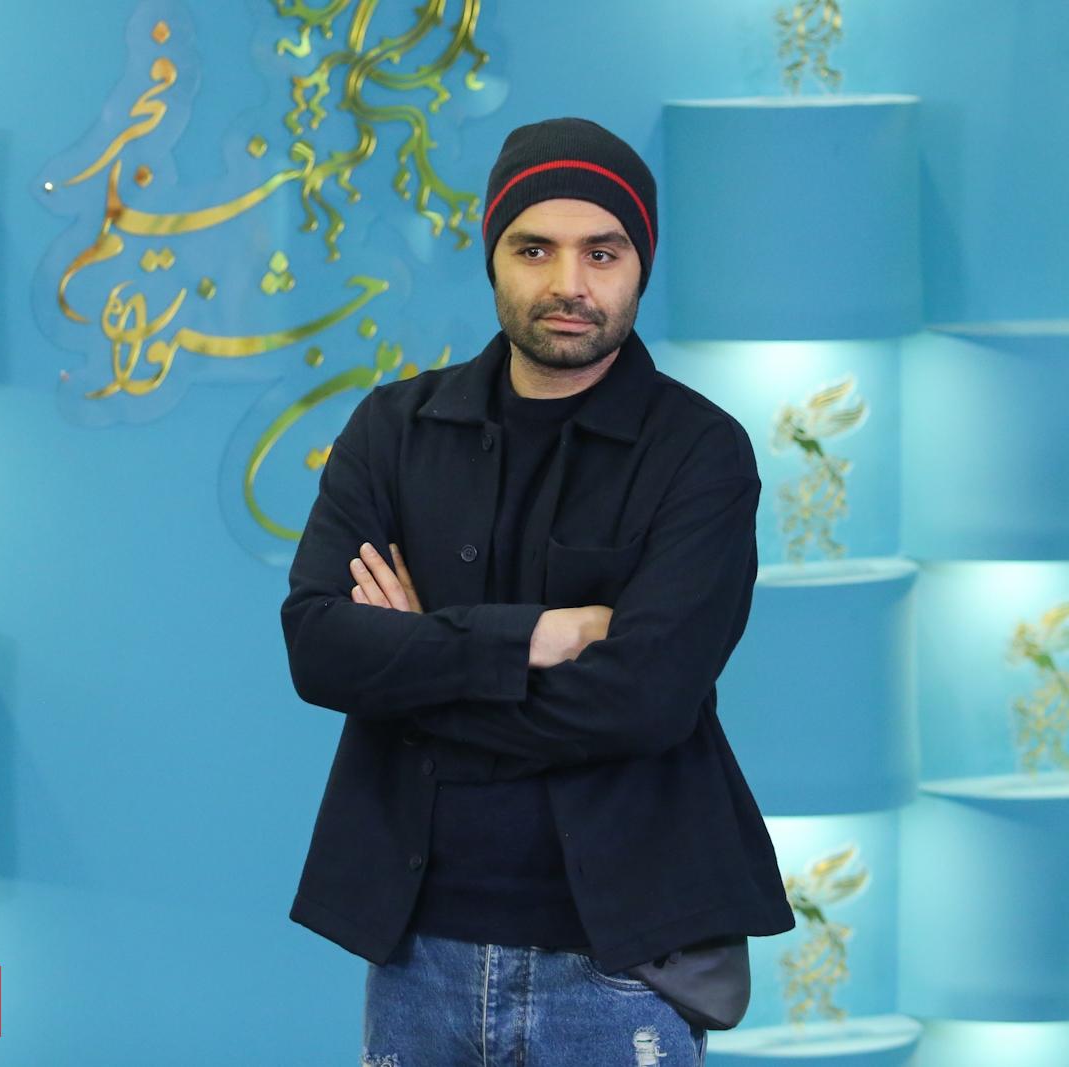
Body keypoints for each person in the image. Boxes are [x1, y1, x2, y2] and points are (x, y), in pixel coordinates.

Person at [280, 116, 795, 1066]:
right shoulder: (393, 430)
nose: (568, 283)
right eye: (534, 249)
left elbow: (645, 700)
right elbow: (320, 648)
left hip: (618, 965)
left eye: (602, 252)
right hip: (417, 954)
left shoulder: (700, 452)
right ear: (493, 256)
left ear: (640, 265)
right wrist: (536, 638)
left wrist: (419, 663)